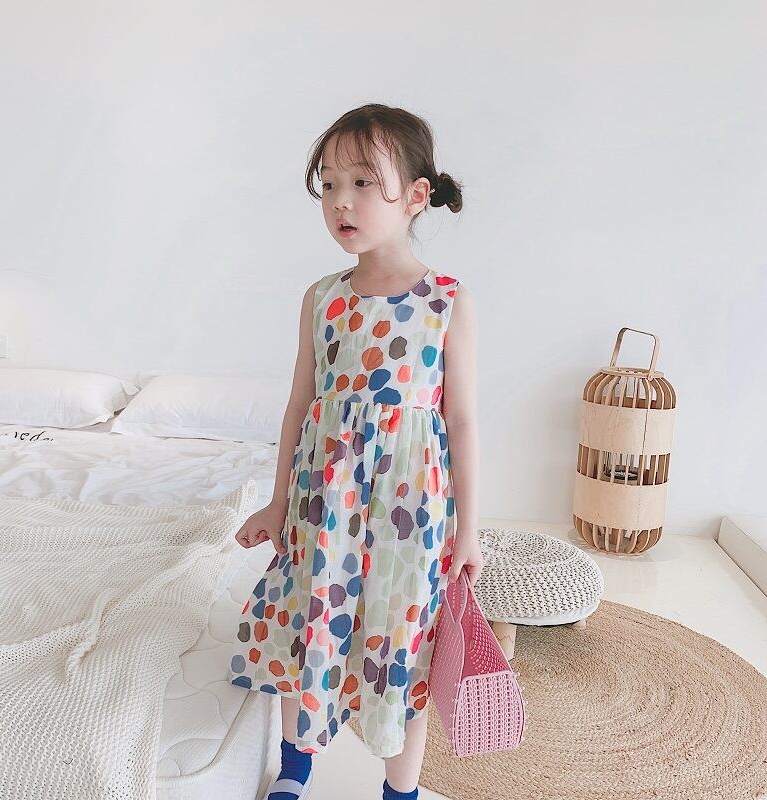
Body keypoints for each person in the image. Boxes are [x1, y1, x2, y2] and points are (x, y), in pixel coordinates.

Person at [229, 103, 482, 800]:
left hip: (413, 513)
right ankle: (296, 766)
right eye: (330, 185)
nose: (341, 201)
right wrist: (278, 503)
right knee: (311, 618)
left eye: (363, 182)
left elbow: (462, 421)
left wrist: (468, 531)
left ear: (416, 196)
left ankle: (400, 789)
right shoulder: (323, 299)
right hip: (325, 505)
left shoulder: (446, 300)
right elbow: (300, 405)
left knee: (402, 640)